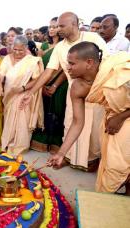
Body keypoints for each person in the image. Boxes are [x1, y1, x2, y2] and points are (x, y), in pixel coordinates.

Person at [20, 12, 108, 171]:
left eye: (61, 26)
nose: (58, 29)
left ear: (74, 25)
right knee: (71, 124)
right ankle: (68, 156)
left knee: (95, 131)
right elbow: (49, 71)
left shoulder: (93, 39)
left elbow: (106, 65)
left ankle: (92, 161)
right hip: (75, 91)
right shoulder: (60, 47)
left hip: (98, 91)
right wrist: (31, 92)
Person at [47, 42, 130, 195]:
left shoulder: (119, 72)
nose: (68, 67)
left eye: (72, 63)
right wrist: (61, 153)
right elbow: (78, 122)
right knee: (113, 167)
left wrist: (121, 117)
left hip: (123, 119)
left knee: (118, 167)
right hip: (113, 121)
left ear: (89, 63)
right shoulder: (77, 87)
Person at [0, 35, 44, 157]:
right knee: (9, 119)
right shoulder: (7, 59)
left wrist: (22, 88)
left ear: (26, 48)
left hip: (23, 95)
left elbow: (37, 80)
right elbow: (0, 75)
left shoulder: (32, 61)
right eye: (15, 49)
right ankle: (7, 143)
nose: (17, 52)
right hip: (8, 95)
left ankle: (19, 147)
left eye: (20, 50)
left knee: (21, 120)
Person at [31, 17, 68, 153]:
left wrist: (54, 85)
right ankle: (42, 140)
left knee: (58, 112)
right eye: (50, 26)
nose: (52, 29)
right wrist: (42, 86)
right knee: (44, 110)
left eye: (55, 26)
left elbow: (64, 67)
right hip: (43, 82)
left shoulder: (65, 46)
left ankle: (56, 143)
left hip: (60, 85)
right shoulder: (44, 46)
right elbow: (40, 67)